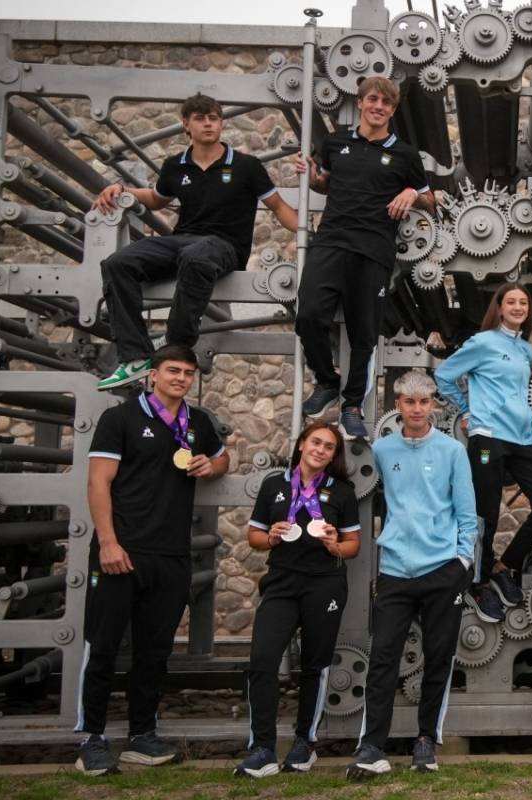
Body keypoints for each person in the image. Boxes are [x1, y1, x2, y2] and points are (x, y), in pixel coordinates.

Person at [76, 344, 230, 775]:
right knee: (103, 646)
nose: (181, 379)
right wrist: (108, 543)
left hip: (171, 554)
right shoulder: (120, 419)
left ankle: (142, 736)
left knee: (154, 652)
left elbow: (223, 457)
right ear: (153, 375)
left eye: (188, 373)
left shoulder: (197, 422)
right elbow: (98, 483)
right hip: (121, 551)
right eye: (173, 371)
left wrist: (212, 465)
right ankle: (91, 738)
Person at [93, 94, 299, 390]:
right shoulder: (175, 166)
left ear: (221, 123)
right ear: (186, 125)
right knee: (117, 263)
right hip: (183, 240)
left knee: (196, 256)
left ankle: (176, 344)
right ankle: (134, 357)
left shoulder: (246, 166)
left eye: (213, 118)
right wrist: (120, 189)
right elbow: (155, 199)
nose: (208, 124)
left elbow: (278, 206)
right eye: (200, 119)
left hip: (225, 246)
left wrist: (309, 234)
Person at [347, 371, 477, 779]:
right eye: (409, 402)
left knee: (438, 657)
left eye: (424, 402)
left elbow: (466, 513)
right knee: (383, 658)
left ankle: (426, 740)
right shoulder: (383, 450)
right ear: (398, 405)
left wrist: (462, 562)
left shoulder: (453, 451)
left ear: (433, 405)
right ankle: (372, 746)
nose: (417, 409)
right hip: (395, 570)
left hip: (442, 570)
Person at [295, 77, 434, 439]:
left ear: (392, 109)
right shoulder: (335, 142)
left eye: (386, 103)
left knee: (364, 333)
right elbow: (326, 183)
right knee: (308, 314)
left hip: (373, 250)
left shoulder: (405, 155)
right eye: (373, 99)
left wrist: (410, 192)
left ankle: (352, 406)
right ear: (360, 102)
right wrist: (312, 178)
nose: (378, 107)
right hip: (331, 241)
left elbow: (430, 200)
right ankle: (327, 381)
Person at [236, 421, 361, 778]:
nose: (321, 450)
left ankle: (305, 743)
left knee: (314, 665)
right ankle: (262, 748)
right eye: (316, 442)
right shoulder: (274, 485)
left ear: (333, 456)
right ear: (302, 444)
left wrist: (335, 545)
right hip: (282, 582)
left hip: (325, 584)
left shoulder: (342, 491)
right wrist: (271, 538)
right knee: (262, 660)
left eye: (329, 447)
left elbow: (353, 546)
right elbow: (254, 536)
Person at [435, 283, 532, 624]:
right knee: (486, 514)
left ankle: (503, 565)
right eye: (511, 301)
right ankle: (478, 583)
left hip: (524, 438)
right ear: (499, 307)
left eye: (523, 302)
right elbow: (443, 375)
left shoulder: (527, 351)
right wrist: (467, 409)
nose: (518, 307)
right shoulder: (482, 343)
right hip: (489, 436)